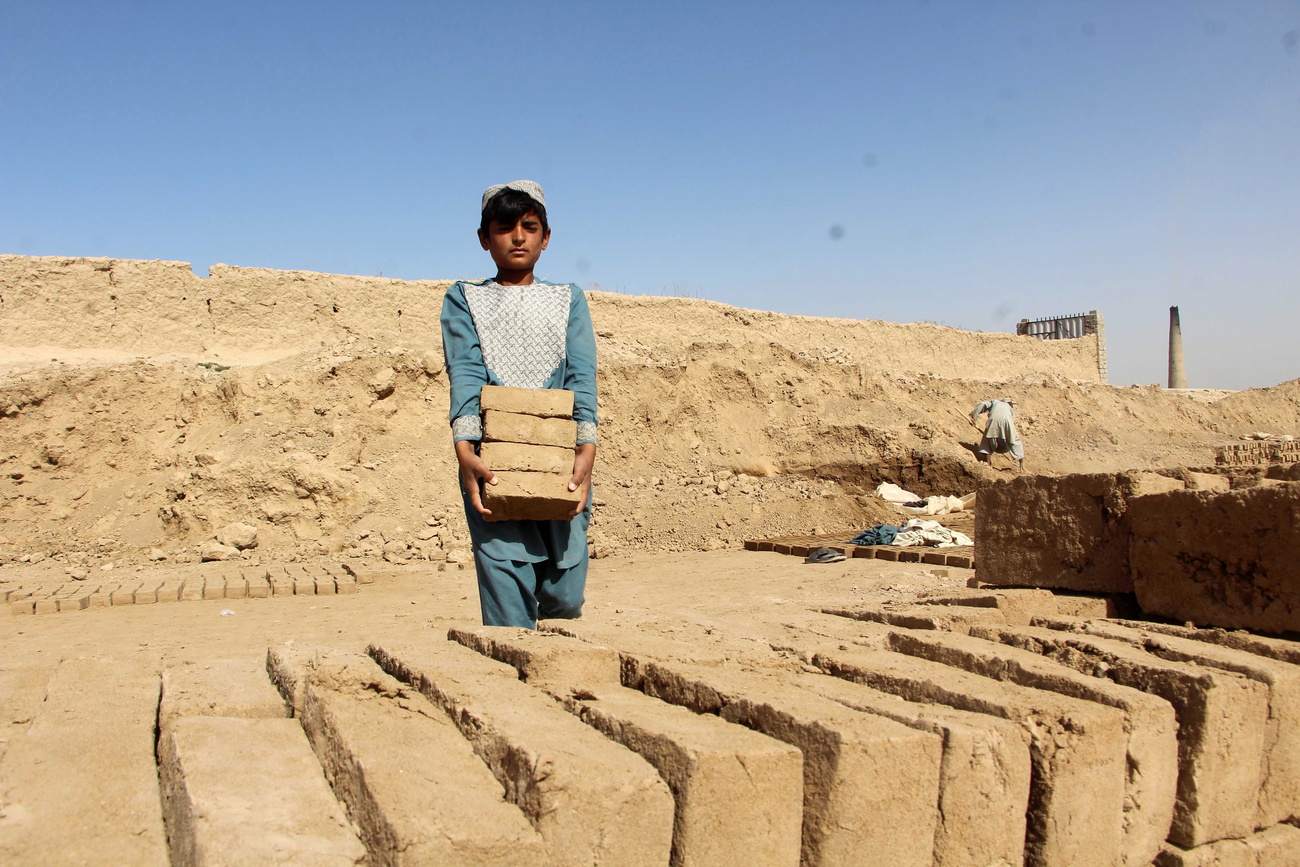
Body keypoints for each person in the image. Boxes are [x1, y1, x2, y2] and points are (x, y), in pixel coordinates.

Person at [439, 180, 598, 628]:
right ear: (484, 238)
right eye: (504, 227)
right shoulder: (464, 297)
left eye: (530, 227)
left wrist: (586, 447)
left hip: (559, 456)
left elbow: (582, 377)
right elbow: (465, 373)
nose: (518, 236)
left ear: (546, 238)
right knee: (506, 582)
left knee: (564, 593)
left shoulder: (568, 298)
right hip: (494, 456)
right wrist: (465, 449)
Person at [969, 398, 1024, 469]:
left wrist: (974, 416)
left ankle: (987, 463)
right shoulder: (1010, 409)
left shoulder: (995, 402)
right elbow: (1011, 422)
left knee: (987, 441)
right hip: (1007, 423)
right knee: (1015, 440)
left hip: (993, 421)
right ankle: (1022, 464)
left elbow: (983, 404)